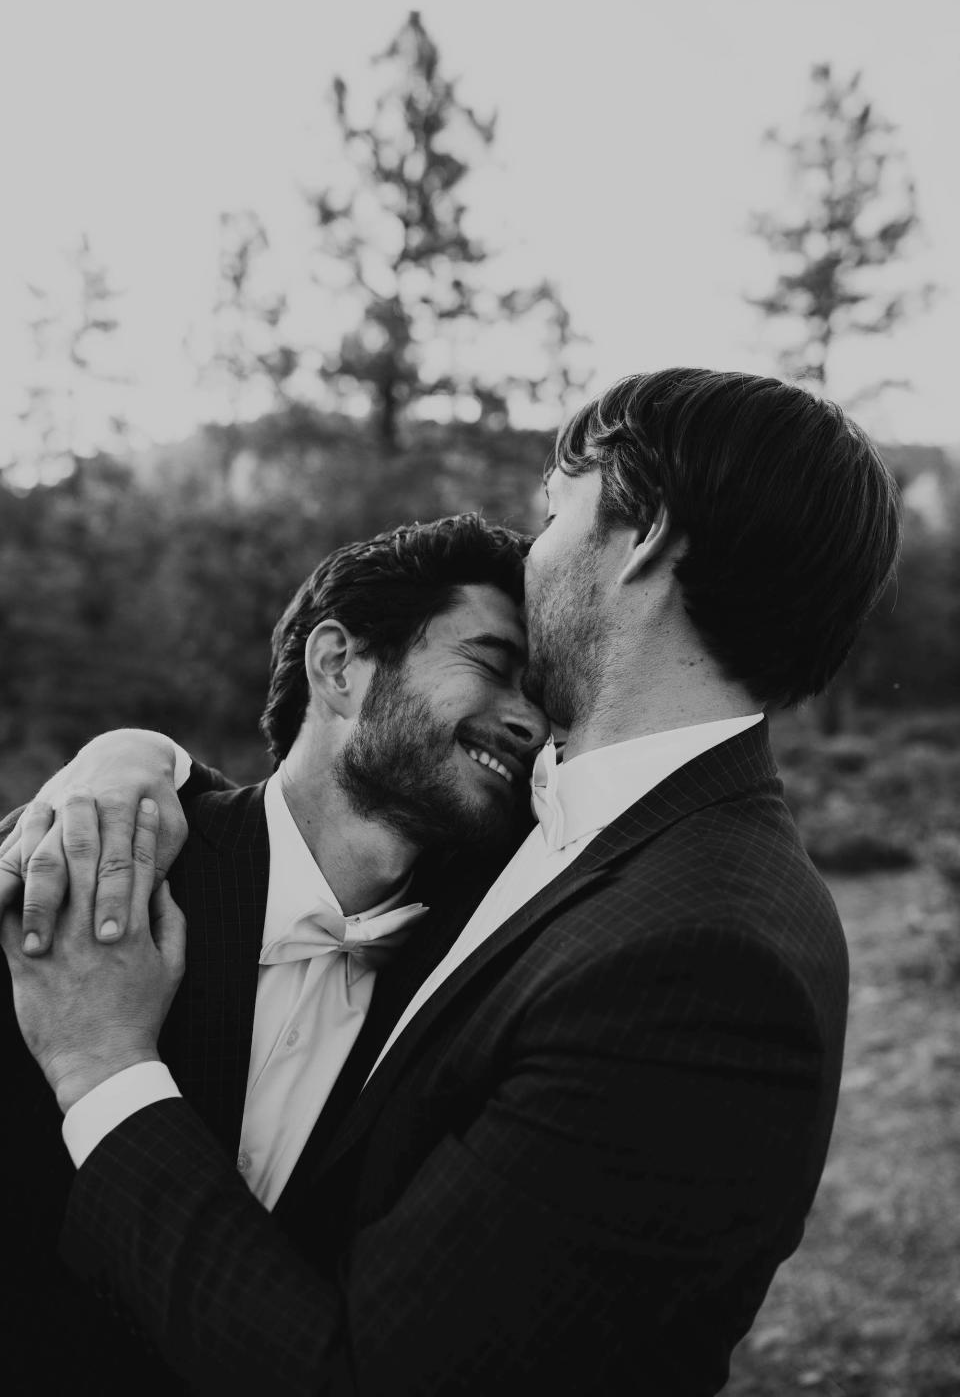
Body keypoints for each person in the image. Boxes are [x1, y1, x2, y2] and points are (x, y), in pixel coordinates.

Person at [2, 368, 902, 1396]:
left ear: (645, 536)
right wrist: (131, 758)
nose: (538, 557)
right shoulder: (549, 835)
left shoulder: (705, 957)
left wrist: (101, 1064)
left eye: (557, 512)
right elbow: (319, 801)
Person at [0, 513, 547, 1395]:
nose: (528, 720)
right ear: (338, 667)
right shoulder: (92, 870)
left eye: (544, 696)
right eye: (492, 665)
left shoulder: (488, 970)